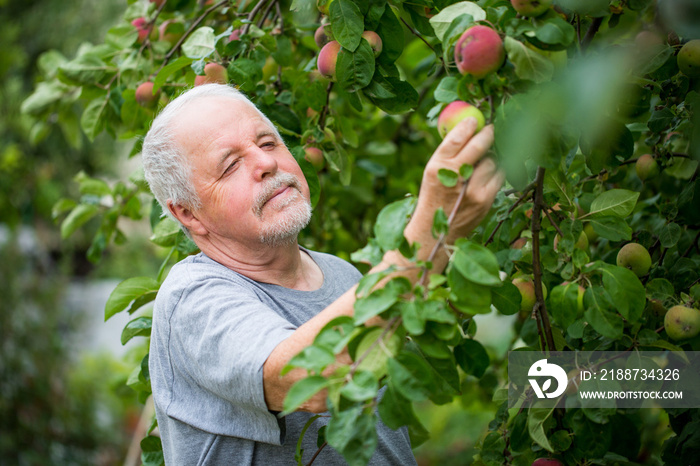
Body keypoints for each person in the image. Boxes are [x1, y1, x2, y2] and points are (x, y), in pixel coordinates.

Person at [142, 83, 504, 465]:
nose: (266, 164)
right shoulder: (192, 298)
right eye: (230, 165)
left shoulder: (341, 275)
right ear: (188, 214)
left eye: (268, 144)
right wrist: (432, 229)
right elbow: (307, 375)